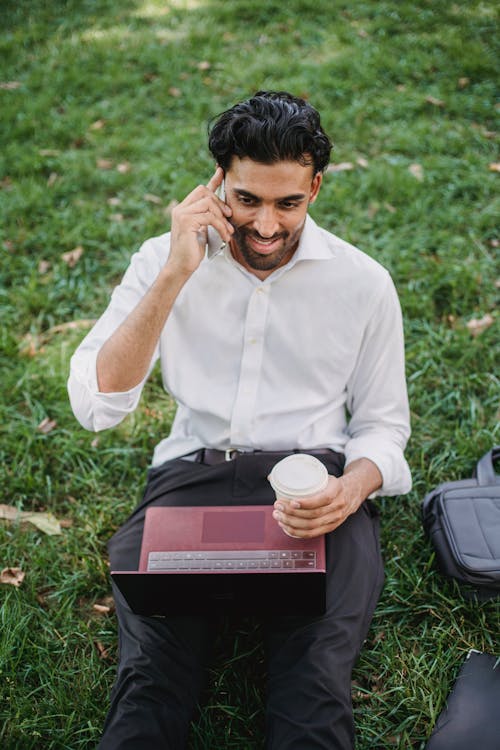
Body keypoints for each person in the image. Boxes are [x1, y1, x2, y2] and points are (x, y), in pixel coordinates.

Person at [68, 90, 411, 750]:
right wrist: (174, 274)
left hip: (315, 490)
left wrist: (351, 490)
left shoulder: (363, 283)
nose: (265, 225)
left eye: (288, 203)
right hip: (193, 476)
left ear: (316, 185)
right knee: (151, 685)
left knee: (313, 688)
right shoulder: (161, 261)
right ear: (217, 181)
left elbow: (382, 426)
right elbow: (99, 404)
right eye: (247, 199)